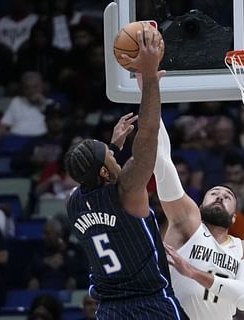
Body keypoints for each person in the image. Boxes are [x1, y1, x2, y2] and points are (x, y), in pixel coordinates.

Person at [64, 24, 187, 319]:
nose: (114, 154)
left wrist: (111, 148)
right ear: (105, 173)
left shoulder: (73, 202)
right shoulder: (128, 191)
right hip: (150, 304)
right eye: (110, 155)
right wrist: (149, 78)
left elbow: (99, 181)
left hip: (108, 310)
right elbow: (147, 135)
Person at [153, 118, 244, 320]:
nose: (220, 196)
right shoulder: (186, 224)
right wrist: (149, 95)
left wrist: (193, 273)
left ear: (234, 217)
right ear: (199, 207)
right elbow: (163, 162)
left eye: (228, 197)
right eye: (213, 193)